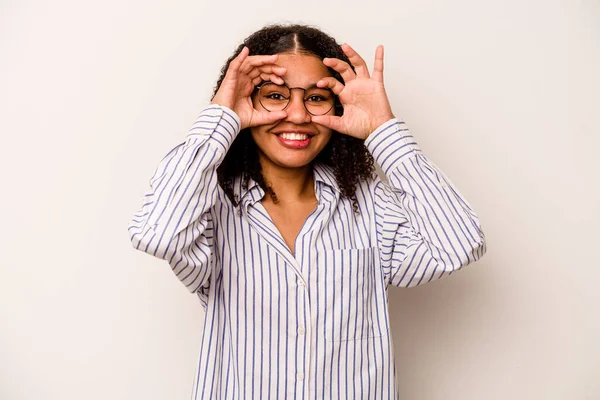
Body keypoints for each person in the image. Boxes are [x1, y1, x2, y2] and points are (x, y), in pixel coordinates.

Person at [128, 24, 486, 399]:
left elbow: (458, 245)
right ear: (246, 100)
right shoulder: (211, 208)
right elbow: (157, 232)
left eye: (316, 98)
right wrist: (222, 118)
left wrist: (383, 131)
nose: (298, 115)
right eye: (275, 95)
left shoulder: (367, 205)